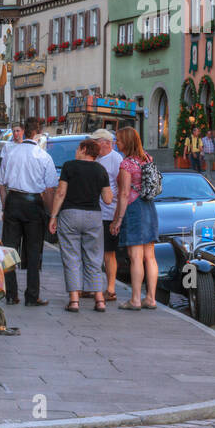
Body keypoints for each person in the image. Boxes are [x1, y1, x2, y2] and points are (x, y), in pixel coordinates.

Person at [0, 116, 58, 306]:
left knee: (9, 249)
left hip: (14, 200)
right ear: (38, 133)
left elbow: (1, 184)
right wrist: (50, 213)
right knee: (33, 251)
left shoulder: (11, 153)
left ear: (24, 130)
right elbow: (49, 190)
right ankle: (32, 295)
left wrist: (5, 206)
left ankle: (11, 294)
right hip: (33, 203)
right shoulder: (43, 156)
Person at [49, 138, 113, 313]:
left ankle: (74, 301)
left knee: (71, 256)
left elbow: (61, 192)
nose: (76, 151)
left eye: (78, 148)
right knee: (94, 257)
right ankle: (99, 300)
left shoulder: (69, 166)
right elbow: (108, 199)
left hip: (70, 214)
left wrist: (53, 216)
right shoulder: (101, 170)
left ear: (84, 149)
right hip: (93, 216)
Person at [112, 126, 159, 311]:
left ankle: (135, 300)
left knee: (135, 257)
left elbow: (123, 194)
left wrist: (118, 220)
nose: (117, 143)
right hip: (149, 207)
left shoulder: (127, 164)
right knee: (150, 257)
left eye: (119, 140)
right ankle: (151, 298)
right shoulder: (147, 158)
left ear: (128, 142)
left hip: (134, 210)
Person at [92, 129, 123, 301]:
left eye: (96, 141)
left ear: (106, 142)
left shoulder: (116, 159)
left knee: (109, 253)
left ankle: (111, 288)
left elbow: (120, 187)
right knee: (93, 251)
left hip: (109, 212)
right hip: (93, 211)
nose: (94, 145)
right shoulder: (95, 158)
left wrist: (117, 216)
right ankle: (93, 287)